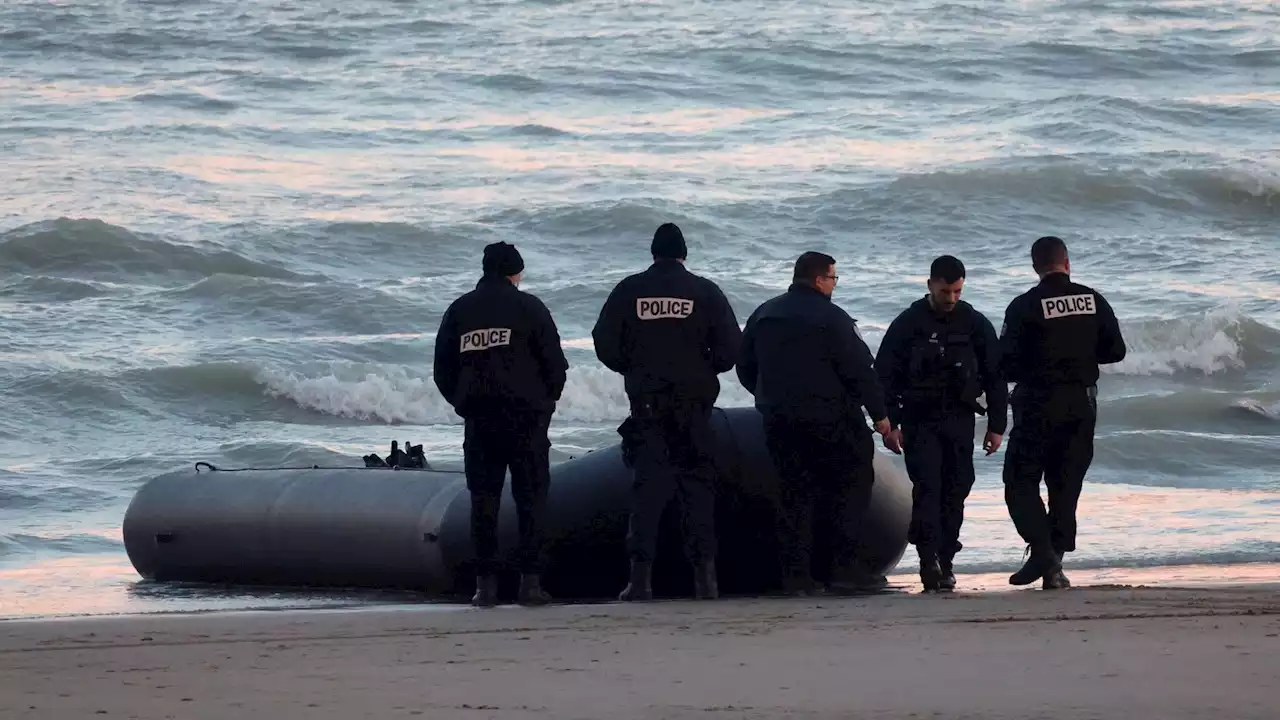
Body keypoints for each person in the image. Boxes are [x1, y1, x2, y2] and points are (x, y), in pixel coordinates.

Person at [591, 223, 743, 601]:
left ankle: (641, 581)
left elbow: (604, 343)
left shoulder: (630, 290)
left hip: (648, 404)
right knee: (697, 489)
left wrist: (633, 366)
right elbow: (730, 349)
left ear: (653, 253)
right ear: (684, 254)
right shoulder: (705, 291)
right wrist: (704, 366)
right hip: (695, 405)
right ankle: (705, 581)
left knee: (647, 490)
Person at [737, 251, 900, 596]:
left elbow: (746, 368)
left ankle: (796, 576)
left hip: (780, 419)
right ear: (818, 280)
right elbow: (859, 373)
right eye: (833, 279)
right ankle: (844, 569)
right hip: (832, 421)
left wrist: (770, 399)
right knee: (850, 488)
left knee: (793, 494)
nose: (834, 285)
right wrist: (881, 416)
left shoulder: (764, 314)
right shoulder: (833, 318)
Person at [433, 241, 569, 607]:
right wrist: (545, 405)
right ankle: (530, 583)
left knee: (484, 501)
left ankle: (486, 587)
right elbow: (555, 365)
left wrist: (464, 404)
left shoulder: (459, 311)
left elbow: (442, 370)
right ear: (516, 273)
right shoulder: (530, 307)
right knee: (531, 500)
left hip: (480, 420)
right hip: (527, 420)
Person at [999, 236, 1126, 589]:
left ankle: (1043, 553)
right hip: (1081, 406)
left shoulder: (1024, 306)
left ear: (1036, 267)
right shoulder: (1092, 300)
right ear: (1067, 264)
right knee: (1065, 486)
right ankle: (1053, 565)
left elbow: (1004, 365)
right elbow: (1116, 350)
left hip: (1038, 405)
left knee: (1020, 482)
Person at [874, 255, 1008, 592]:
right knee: (928, 489)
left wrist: (997, 425)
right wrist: (891, 423)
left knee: (957, 490)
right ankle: (928, 558)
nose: (951, 299)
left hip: (960, 419)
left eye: (957, 292)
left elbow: (995, 377)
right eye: (946, 291)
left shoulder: (974, 323)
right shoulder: (908, 323)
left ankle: (946, 559)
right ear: (930, 284)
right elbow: (885, 376)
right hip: (920, 420)